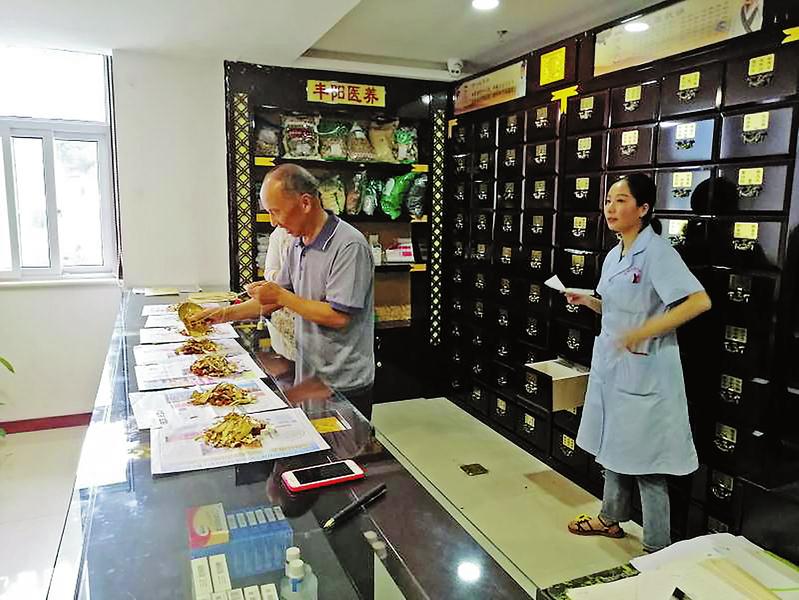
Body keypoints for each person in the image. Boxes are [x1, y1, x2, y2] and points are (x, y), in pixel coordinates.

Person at [565, 173, 712, 553]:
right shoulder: (615, 254)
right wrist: (589, 301)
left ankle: (656, 547)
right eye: (608, 201)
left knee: (647, 462)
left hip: (648, 368)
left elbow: (699, 302)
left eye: (621, 201)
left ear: (643, 209)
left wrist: (644, 331)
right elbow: (618, 309)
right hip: (616, 366)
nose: (610, 209)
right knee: (614, 443)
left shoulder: (658, 252)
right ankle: (610, 517)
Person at [197, 164, 376, 419]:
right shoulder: (296, 244)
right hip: (309, 377)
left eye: (276, 212)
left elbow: (338, 316)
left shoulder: (349, 246)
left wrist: (281, 296)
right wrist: (222, 314)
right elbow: (272, 300)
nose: (273, 222)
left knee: (341, 445)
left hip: (343, 385)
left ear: (305, 203)